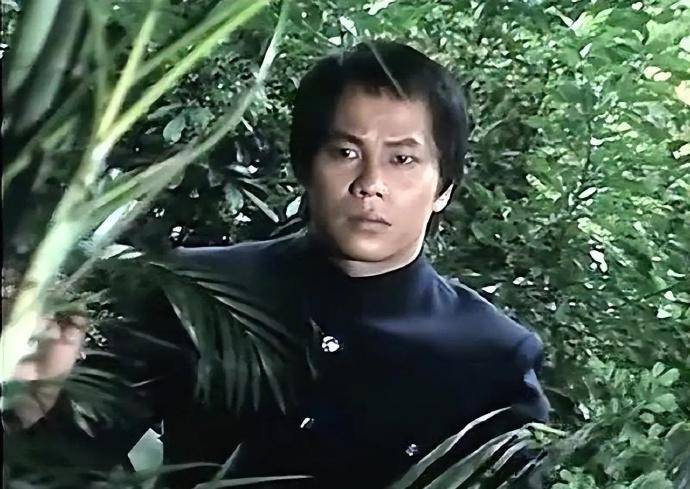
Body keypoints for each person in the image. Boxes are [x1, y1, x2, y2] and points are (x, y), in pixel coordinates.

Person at [4, 41, 550, 488]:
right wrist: (36, 405)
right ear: (306, 167)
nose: (371, 184)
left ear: (444, 187)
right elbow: (66, 466)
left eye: (403, 158)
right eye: (345, 152)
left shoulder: (491, 358)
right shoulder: (195, 289)